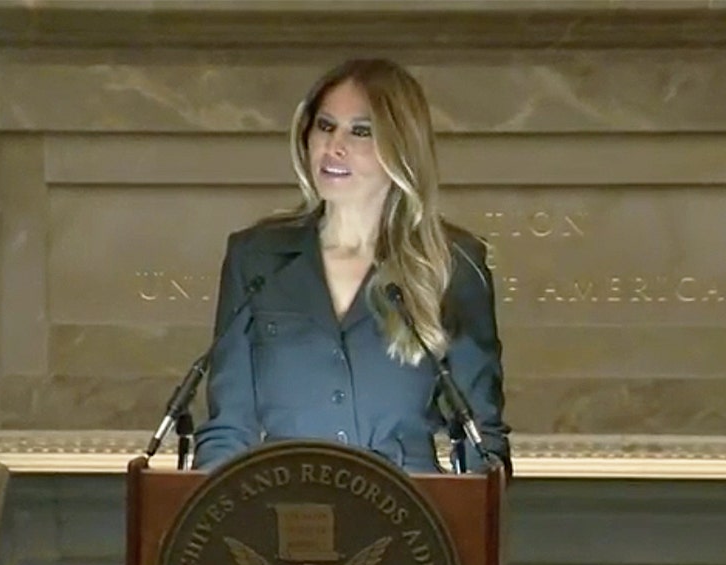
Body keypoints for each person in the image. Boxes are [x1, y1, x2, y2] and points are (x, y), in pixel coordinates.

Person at [192, 58, 510, 476]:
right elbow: (228, 427)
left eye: (361, 131)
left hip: (412, 519)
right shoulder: (256, 258)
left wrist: (475, 517)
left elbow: (480, 437)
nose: (334, 146)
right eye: (325, 126)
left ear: (401, 146)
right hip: (283, 513)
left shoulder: (453, 263)